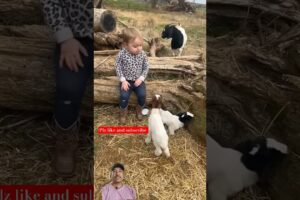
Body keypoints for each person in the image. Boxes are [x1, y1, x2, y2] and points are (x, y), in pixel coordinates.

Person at [40, 0, 93, 177]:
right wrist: (65, 38)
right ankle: (65, 141)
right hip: (77, 37)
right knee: (68, 87)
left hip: (113, 37)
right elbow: (51, 3)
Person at [115, 28, 149, 124]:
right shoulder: (122, 54)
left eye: (141, 45)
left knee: (142, 95)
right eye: (135, 46)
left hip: (138, 81)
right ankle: (123, 113)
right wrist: (123, 80)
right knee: (124, 96)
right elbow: (118, 67)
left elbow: (146, 67)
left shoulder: (142, 54)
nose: (139, 48)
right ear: (125, 45)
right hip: (127, 81)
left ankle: (139, 110)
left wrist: (141, 78)